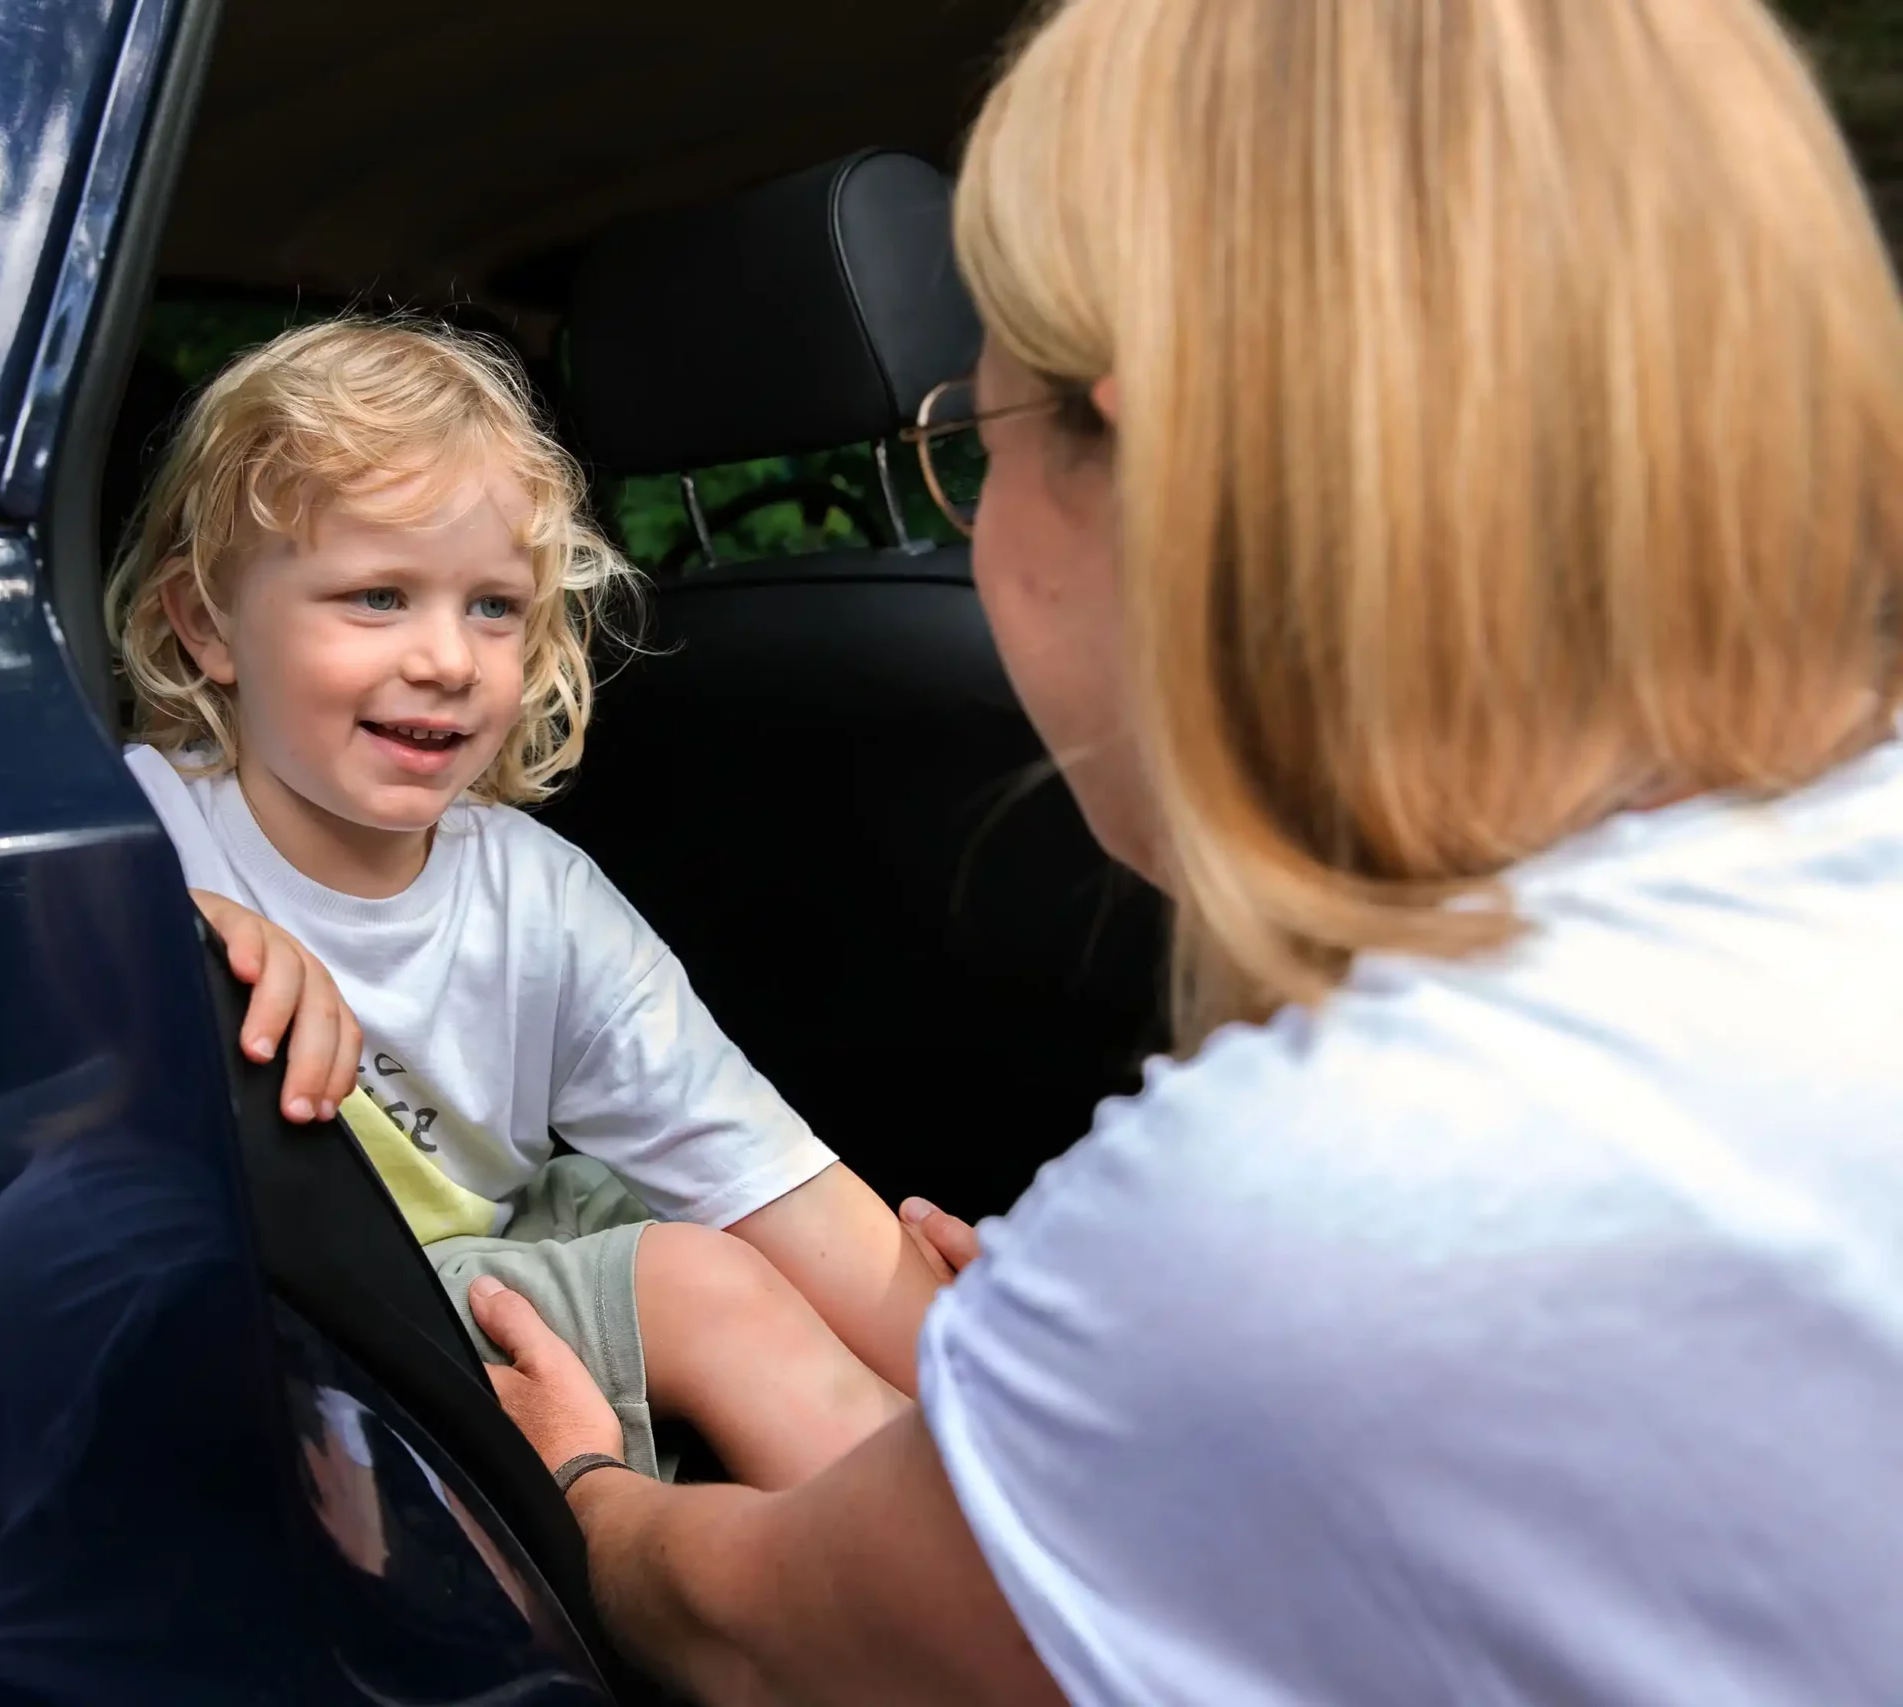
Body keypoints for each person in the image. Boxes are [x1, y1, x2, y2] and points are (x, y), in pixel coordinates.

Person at [469, 1, 1903, 1702]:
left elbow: (763, 1641)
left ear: (1149, 457)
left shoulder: (1334, 1192)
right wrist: (1118, 1344)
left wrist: (579, 1485)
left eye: (964, 445)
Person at [104, 318, 939, 1489]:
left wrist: (990, 1367)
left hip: (482, 1267)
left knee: (694, 1235)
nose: (448, 658)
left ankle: (1017, 1515)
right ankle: (950, 1581)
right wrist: (166, 930)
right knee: (697, 1288)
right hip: (280, 1322)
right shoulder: (137, 832)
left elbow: (772, 1185)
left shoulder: (538, 900)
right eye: (379, 596)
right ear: (208, 624)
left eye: (494, 606)